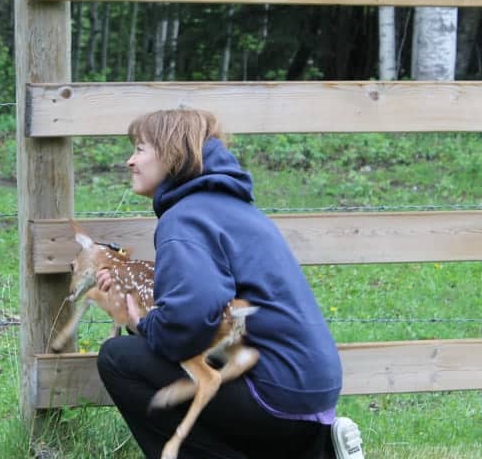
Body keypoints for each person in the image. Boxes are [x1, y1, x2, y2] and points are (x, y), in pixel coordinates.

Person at [96, 108, 364, 459]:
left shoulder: (185, 219)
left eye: (141, 149)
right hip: (311, 390)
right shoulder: (234, 208)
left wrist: (141, 325)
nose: (130, 161)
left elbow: (190, 318)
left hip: (275, 396)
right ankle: (316, 450)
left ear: (173, 152)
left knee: (118, 359)